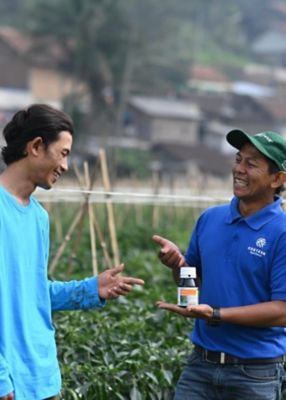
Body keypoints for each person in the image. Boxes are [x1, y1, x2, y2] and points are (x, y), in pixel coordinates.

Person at [0, 104, 144, 400]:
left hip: (42, 377)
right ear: (37, 146)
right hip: (9, 383)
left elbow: (34, 294)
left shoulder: (38, 217)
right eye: (63, 153)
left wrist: (91, 289)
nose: (66, 166)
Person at [153, 129, 286, 400]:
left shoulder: (281, 232)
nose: (239, 169)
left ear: (278, 178)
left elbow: (282, 311)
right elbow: (192, 282)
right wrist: (178, 264)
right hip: (200, 366)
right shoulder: (209, 219)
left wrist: (215, 314)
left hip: (255, 375)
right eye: (238, 159)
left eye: (251, 164)